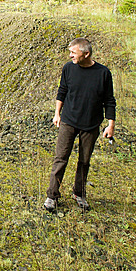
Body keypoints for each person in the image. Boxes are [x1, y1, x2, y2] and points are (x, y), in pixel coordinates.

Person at [44, 37, 116, 211]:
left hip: (91, 125)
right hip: (68, 121)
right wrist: (57, 114)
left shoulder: (103, 73)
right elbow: (62, 91)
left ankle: (79, 193)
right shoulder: (69, 68)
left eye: (73, 53)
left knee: (84, 161)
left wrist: (110, 125)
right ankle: (52, 196)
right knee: (60, 158)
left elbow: (109, 101)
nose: (70, 56)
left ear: (86, 53)